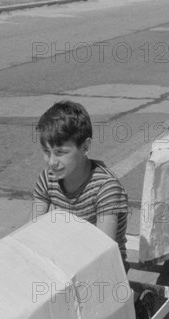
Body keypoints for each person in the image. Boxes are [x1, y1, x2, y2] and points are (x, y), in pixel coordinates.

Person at [32, 101, 129, 270]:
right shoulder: (48, 178)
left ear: (85, 147)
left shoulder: (106, 189)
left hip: (106, 269)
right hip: (66, 259)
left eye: (60, 152)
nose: (52, 162)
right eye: (46, 152)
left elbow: (103, 253)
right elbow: (33, 231)